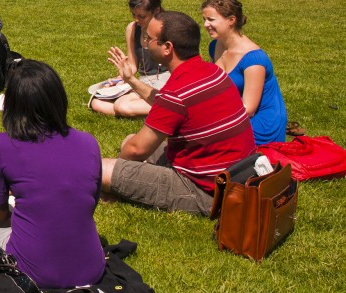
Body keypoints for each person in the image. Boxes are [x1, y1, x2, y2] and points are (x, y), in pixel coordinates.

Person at [0, 60, 104, 290]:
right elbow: (86, 206)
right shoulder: (89, 143)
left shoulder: (2, 145)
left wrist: (6, 198)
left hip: (33, 269)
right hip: (91, 267)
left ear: (12, 104)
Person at [100, 11, 256, 216]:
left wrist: (119, 176)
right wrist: (131, 80)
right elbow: (165, 104)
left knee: (100, 169)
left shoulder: (177, 92)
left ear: (167, 48)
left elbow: (138, 149)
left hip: (206, 192)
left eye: (149, 38)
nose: (145, 44)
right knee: (128, 140)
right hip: (237, 174)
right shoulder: (212, 72)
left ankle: (120, 187)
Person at [203, 0, 288, 144]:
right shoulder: (214, 46)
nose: (205, 24)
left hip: (261, 125)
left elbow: (249, 109)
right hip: (232, 114)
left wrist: (210, 116)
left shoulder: (254, 59)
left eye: (211, 19)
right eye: (204, 19)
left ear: (231, 20)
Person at [90, 0, 167, 119]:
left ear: (156, 11)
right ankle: (155, 109)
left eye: (141, 16)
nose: (136, 20)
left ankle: (168, 108)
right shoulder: (132, 29)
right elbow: (133, 65)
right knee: (97, 102)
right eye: (133, 15)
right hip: (144, 81)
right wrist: (122, 75)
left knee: (122, 106)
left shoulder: (168, 29)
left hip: (166, 81)